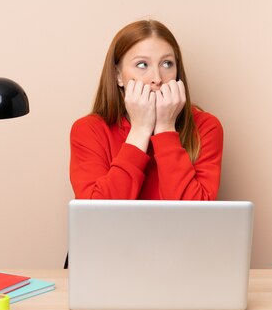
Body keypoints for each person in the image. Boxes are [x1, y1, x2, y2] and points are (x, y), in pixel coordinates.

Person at [69, 19, 223, 200]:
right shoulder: (89, 130)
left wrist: (165, 129)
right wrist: (140, 130)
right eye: (142, 65)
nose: (157, 78)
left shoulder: (205, 126)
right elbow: (98, 216)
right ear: (118, 76)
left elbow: (195, 216)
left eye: (167, 64)